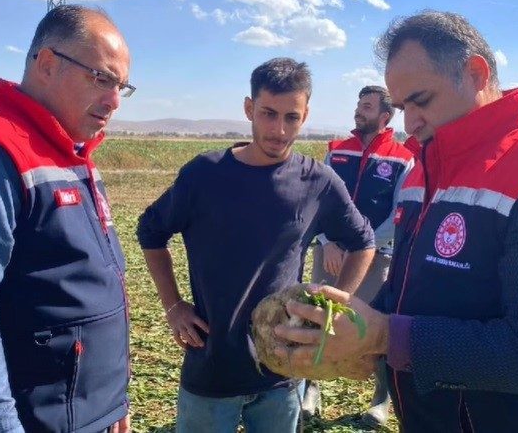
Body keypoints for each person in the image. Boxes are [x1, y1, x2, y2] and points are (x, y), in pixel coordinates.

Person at [273, 10, 518, 432]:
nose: (410, 123)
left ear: (476, 74)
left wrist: (385, 335)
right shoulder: (423, 169)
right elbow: (413, 286)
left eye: (421, 101)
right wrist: (356, 325)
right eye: (403, 107)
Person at [136, 57, 376, 433]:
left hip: (282, 372)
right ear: (249, 108)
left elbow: (363, 242)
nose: (279, 130)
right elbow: (150, 232)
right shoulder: (204, 176)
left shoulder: (318, 182)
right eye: (268, 113)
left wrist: (331, 309)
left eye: (291, 117)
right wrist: (173, 305)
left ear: (305, 114)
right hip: (211, 368)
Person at [0, 5, 133, 433]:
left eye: (122, 86)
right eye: (102, 78)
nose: (113, 100)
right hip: (36, 419)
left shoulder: (72, 152)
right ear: (48, 63)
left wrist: (111, 402)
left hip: (88, 412)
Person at [303, 85, 415, 426]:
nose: (358, 111)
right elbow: (316, 202)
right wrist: (326, 240)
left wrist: (357, 248)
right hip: (330, 253)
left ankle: (379, 401)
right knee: (315, 318)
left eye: (366, 107)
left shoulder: (402, 158)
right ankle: (311, 389)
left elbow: (399, 214)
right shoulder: (336, 151)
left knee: (373, 324)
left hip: (376, 257)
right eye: (358, 105)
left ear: (384, 116)